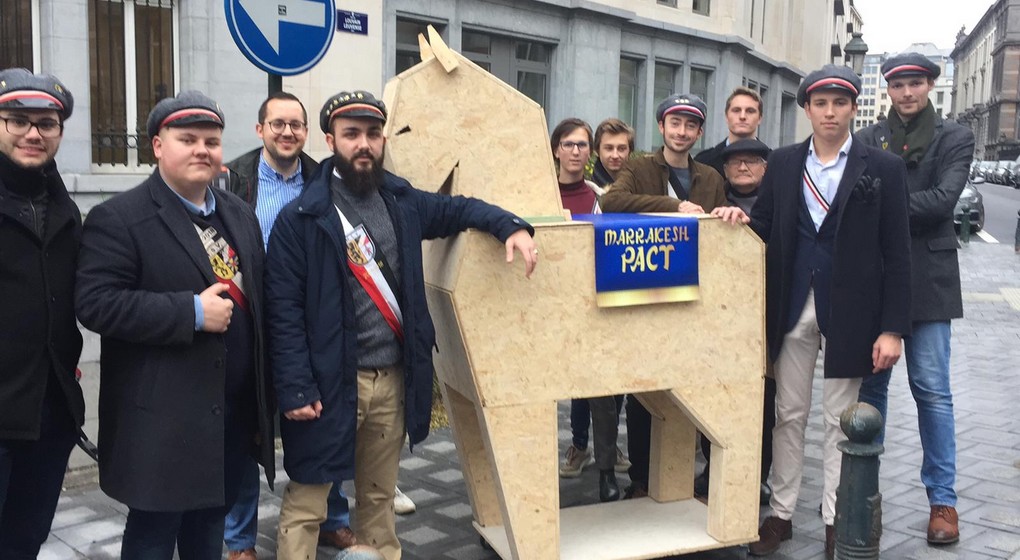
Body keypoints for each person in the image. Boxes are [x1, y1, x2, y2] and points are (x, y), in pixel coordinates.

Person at [269, 90, 537, 560]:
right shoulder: (300, 219)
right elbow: (284, 311)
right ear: (331, 140)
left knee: (379, 497)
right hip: (330, 383)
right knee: (307, 503)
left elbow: (459, 209)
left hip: (392, 379)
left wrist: (511, 226)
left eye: (373, 134)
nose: (364, 144)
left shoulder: (403, 201)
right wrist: (294, 387)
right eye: (351, 134)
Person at [711, 65, 911, 560]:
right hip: (792, 305)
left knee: (840, 419)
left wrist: (892, 328)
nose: (829, 112)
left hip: (851, 311)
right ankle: (780, 514)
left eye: (839, 103)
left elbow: (898, 252)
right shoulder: (781, 162)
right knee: (788, 415)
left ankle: (833, 518)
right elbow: (764, 224)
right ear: (806, 109)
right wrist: (738, 218)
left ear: (853, 108)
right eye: (819, 104)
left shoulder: (881, 168)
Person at [76, 91, 275, 559]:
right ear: (157, 146)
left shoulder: (239, 214)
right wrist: (189, 312)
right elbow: (96, 304)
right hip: (162, 426)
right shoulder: (119, 218)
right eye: (187, 139)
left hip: (228, 420)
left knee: (209, 534)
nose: (202, 150)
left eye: (212, 140)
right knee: (152, 538)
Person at [220, 91, 357, 559]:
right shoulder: (232, 179)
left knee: (326, 423)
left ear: (306, 132)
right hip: (251, 323)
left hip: (314, 324)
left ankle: (332, 518)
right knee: (245, 430)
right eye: (277, 124)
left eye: (296, 124)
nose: (287, 132)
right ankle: (239, 538)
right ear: (260, 129)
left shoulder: (325, 177)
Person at [856, 52, 973, 546]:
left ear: (929, 86)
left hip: (929, 279)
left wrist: (882, 200)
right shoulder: (865, 139)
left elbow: (944, 203)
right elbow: (853, 200)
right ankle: (862, 500)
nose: (907, 93)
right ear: (887, 89)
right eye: (899, 84)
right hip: (876, 279)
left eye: (916, 84)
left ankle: (941, 501)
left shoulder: (955, 137)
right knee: (871, 394)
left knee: (931, 391)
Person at [600, 93, 726, 499]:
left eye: (691, 126)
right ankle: (640, 477)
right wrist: (673, 206)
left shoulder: (711, 177)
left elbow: (721, 234)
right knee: (644, 392)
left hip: (694, 297)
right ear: (662, 127)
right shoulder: (639, 168)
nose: (682, 132)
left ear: (700, 132)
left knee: (690, 388)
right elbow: (611, 201)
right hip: (646, 293)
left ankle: (684, 477)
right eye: (675, 123)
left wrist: (728, 215)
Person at [0, 68, 84, 559]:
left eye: (46, 123)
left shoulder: (60, 204)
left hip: (48, 416)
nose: (33, 133)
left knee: (25, 541)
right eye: (18, 120)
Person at [694, 138, 775, 505]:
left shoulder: (778, 202)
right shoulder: (713, 199)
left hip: (767, 316)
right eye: (735, 162)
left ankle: (758, 475)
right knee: (713, 395)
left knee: (764, 398)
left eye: (752, 161)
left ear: (765, 167)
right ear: (724, 170)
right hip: (718, 316)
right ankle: (713, 467)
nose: (743, 167)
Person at [549, 117, 626, 502]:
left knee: (603, 392)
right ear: (556, 149)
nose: (576, 151)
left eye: (582, 145)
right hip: (547, 307)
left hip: (593, 305)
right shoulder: (539, 192)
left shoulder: (601, 197)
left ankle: (607, 471)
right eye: (569, 144)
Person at [695, 86, 764, 176]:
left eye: (750, 111)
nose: (742, 116)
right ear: (726, 117)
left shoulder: (774, 162)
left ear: (760, 118)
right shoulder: (702, 162)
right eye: (736, 110)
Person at [590, 117, 635, 187]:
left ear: (630, 151)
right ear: (597, 150)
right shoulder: (586, 193)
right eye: (609, 148)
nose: (615, 155)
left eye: (621, 149)